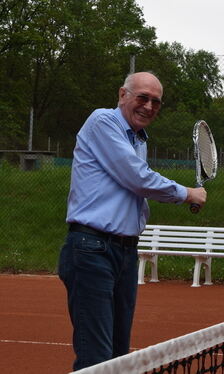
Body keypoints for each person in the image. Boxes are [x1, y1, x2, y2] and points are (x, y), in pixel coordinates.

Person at [58, 72, 207, 370]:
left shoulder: (138, 139)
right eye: (142, 98)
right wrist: (187, 193)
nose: (149, 107)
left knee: (118, 356)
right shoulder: (103, 122)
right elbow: (137, 178)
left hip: (125, 253)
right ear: (122, 95)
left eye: (156, 102)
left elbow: (135, 186)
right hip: (92, 249)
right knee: (97, 359)